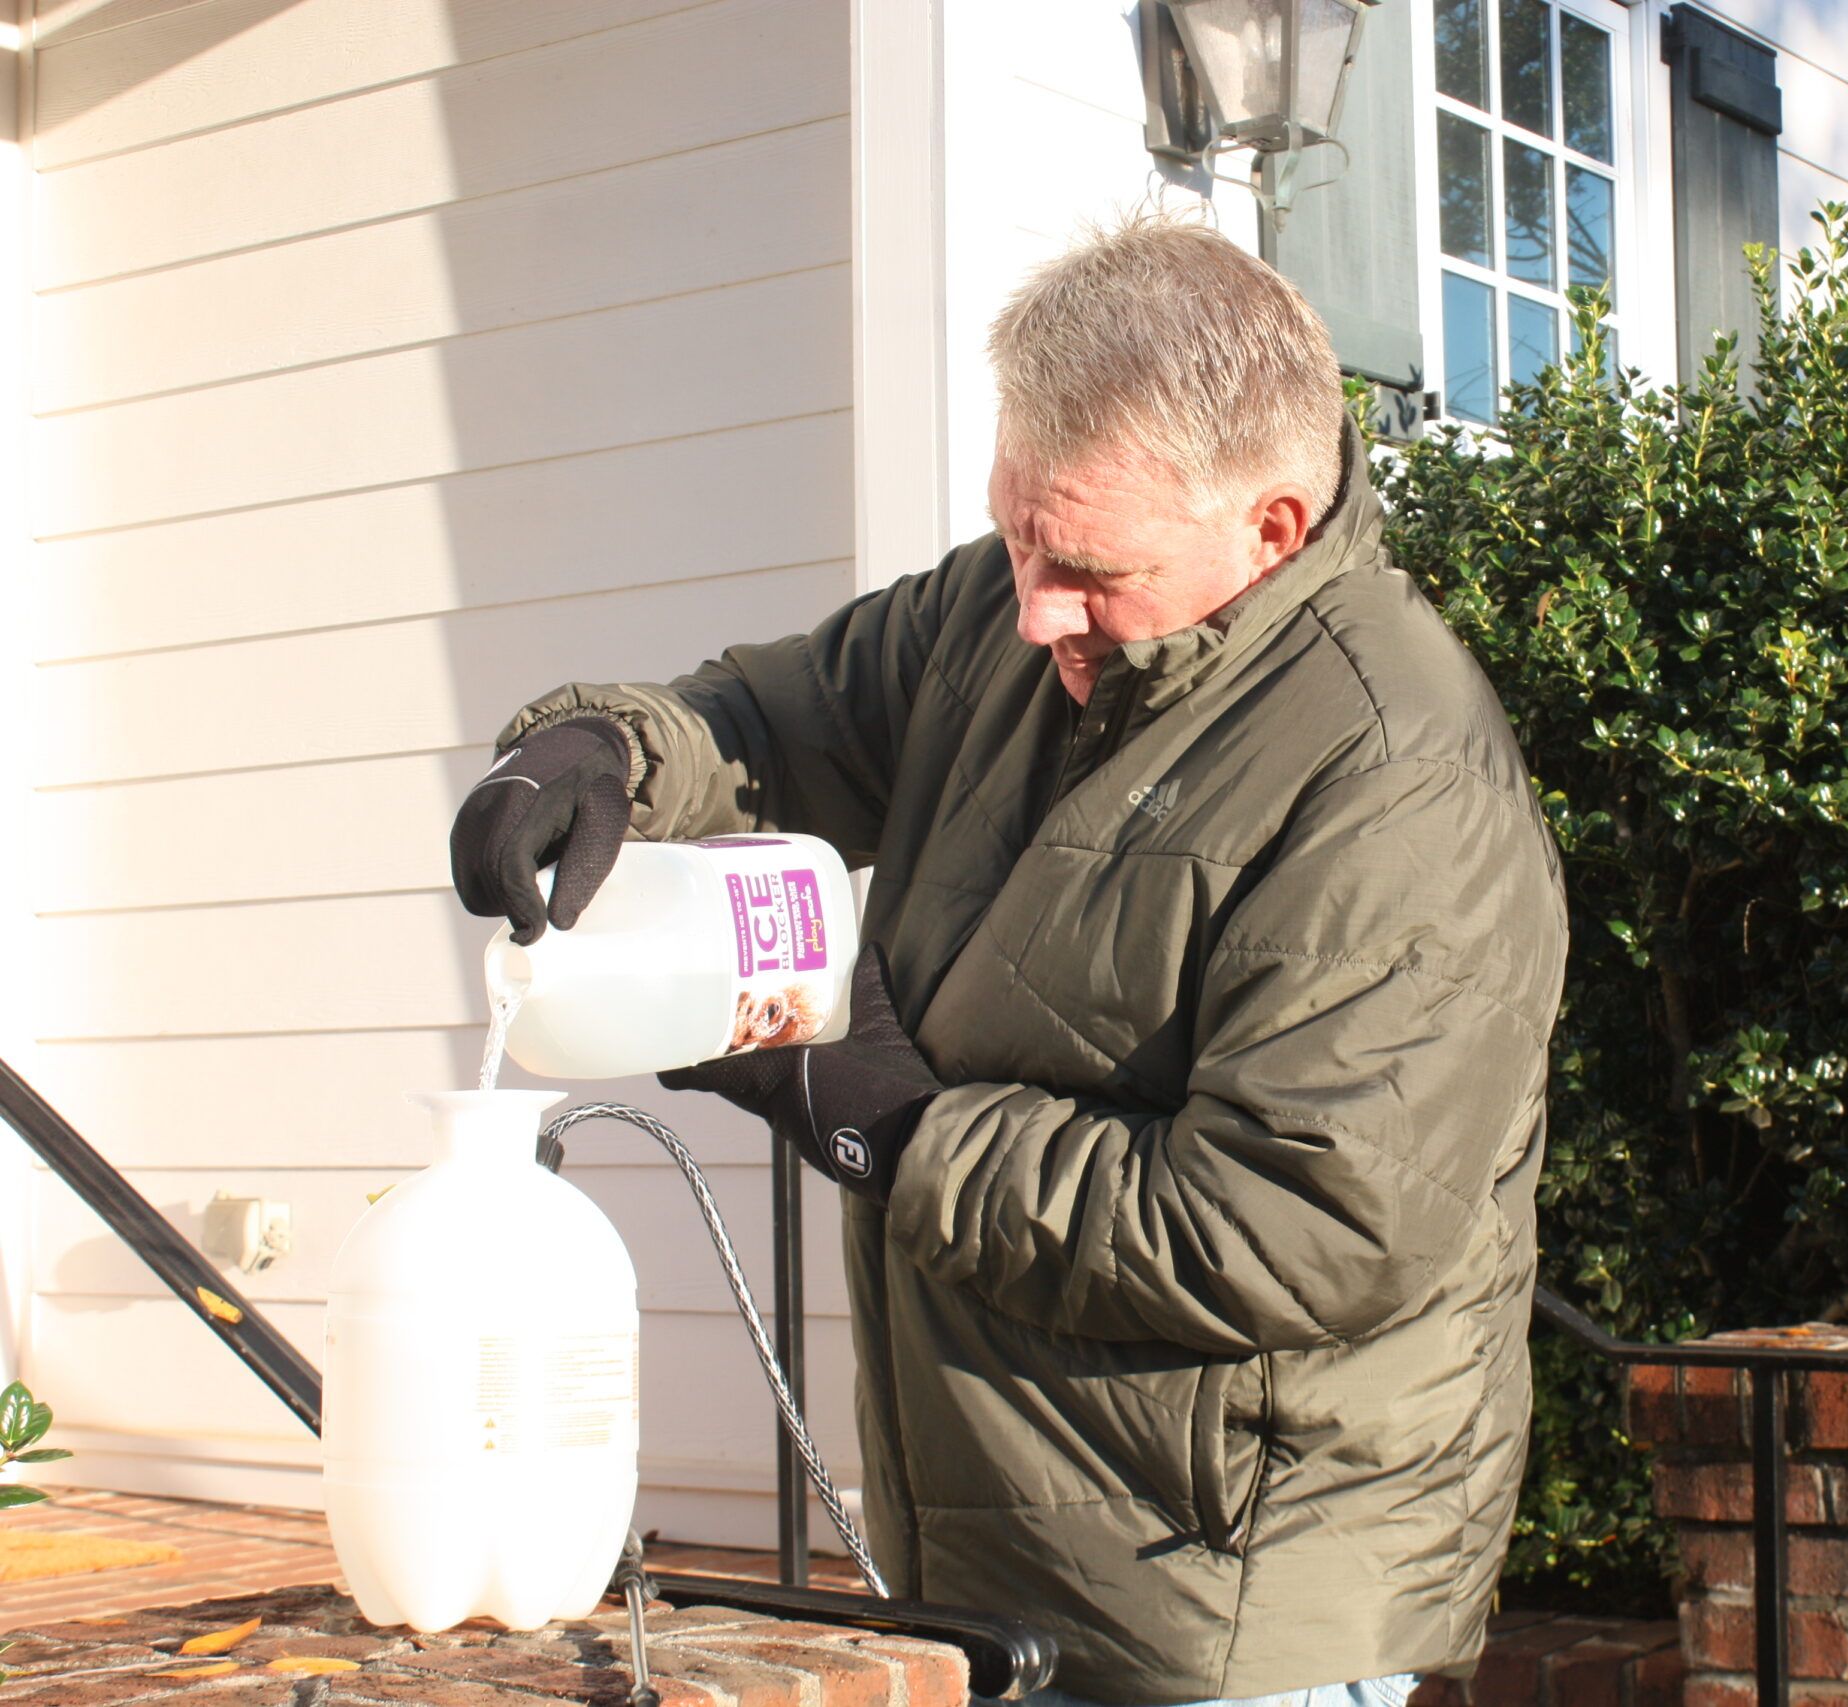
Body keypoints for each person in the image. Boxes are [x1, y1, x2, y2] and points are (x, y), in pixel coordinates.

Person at [447, 217, 1567, 1707]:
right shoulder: (1014, 614)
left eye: (1087, 568)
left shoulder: (1399, 784)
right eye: (1017, 534)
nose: (1033, 606)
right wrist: (599, 752)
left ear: (1273, 530)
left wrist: (900, 1126)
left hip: (1222, 1612)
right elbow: (784, 719)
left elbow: (1295, 1227)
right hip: (994, 1561)